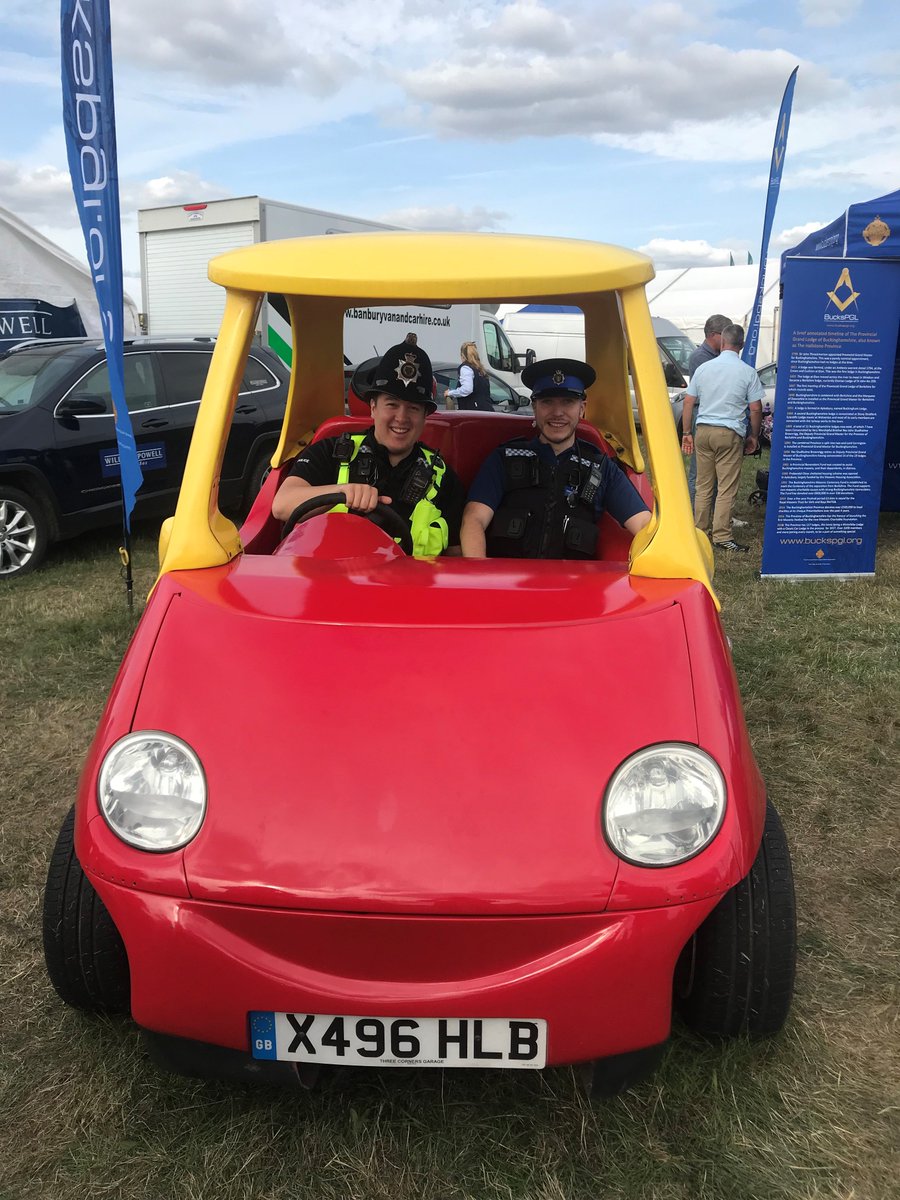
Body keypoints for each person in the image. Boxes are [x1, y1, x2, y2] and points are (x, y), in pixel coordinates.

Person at [272, 341, 466, 556]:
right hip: (334, 585)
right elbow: (281, 505)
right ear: (373, 407)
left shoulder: (443, 478)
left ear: (425, 417)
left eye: (413, 408)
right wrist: (343, 491)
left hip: (411, 588)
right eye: (391, 404)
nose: (401, 418)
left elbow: (456, 558)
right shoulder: (331, 451)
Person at [461, 357, 651, 559]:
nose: (557, 412)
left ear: (582, 408)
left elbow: (643, 524)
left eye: (568, 402)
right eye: (547, 402)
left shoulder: (602, 469)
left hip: (575, 588)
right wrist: (480, 578)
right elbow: (473, 520)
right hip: (510, 585)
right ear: (534, 407)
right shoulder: (504, 458)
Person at [680, 324, 763, 553]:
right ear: (741, 345)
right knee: (726, 487)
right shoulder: (747, 371)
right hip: (729, 432)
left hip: (703, 430)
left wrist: (687, 433)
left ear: (723, 342)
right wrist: (754, 436)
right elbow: (755, 409)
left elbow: (688, 402)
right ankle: (722, 536)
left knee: (703, 485)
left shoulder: (704, 368)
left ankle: (699, 531)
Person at [685, 314, 732, 504]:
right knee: (700, 470)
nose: (728, 340)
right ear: (714, 334)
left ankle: (711, 510)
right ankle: (694, 513)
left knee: (716, 470)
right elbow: (711, 390)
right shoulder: (700, 357)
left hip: (712, 416)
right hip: (703, 415)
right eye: (725, 335)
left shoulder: (716, 356)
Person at [444, 342, 494, 411]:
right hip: (487, 410)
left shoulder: (465, 368)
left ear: (462, 356)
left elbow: (467, 389)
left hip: (473, 411)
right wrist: (452, 389)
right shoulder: (481, 369)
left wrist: (450, 393)